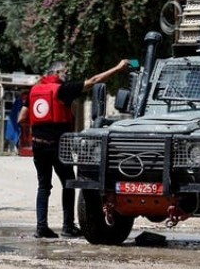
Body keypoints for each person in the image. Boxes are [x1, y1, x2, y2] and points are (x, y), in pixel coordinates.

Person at [19, 59, 130, 239]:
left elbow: (21, 118)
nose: (67, 75)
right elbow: (93, 81)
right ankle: (68, 226)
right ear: (57, 72)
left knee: (43, 186)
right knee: (68, 182)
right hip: (58, 146)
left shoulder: (34, 91)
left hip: (38, 146)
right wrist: (117, 68)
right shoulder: (62, 90)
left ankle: (41, 228)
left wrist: (41, 125)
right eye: (65, 72)